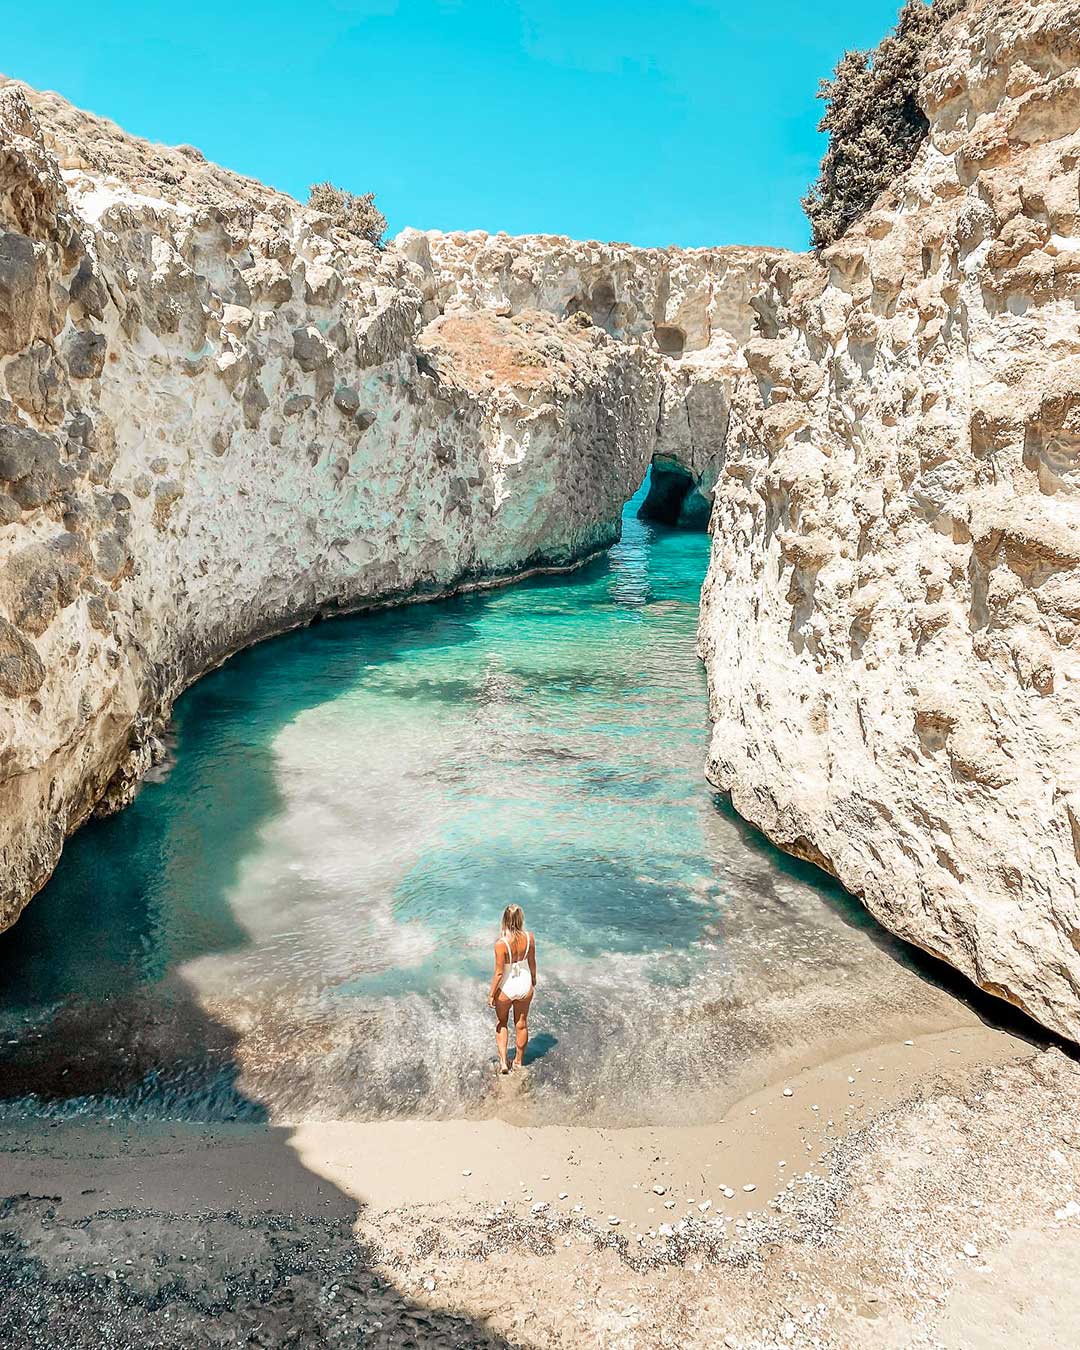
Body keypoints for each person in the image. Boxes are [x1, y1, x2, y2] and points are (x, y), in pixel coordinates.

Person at [487, 904, 536, 1074]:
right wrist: (534, 979)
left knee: (502, 1022)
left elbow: (499, 973)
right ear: (521, 918)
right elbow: (532, 963)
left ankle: (503, 1063)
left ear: (505, 920)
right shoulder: (530, 938)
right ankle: (518, 1061)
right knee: (521, 1024)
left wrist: (491, 994)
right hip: (524, 983)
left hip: (507, 987)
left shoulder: (501, 944)